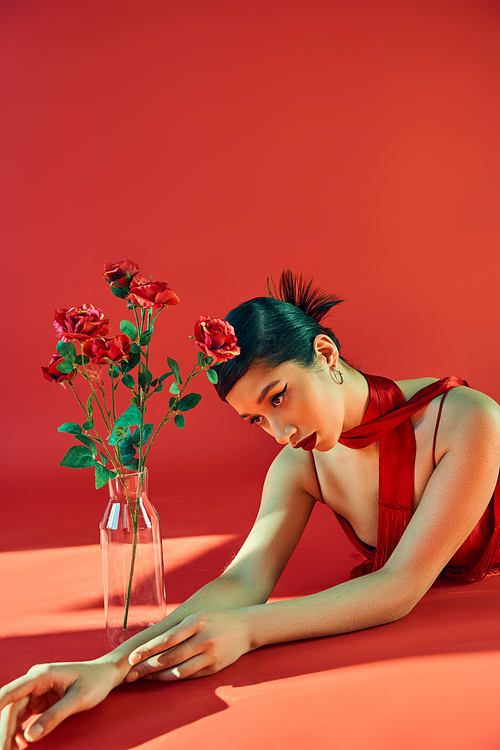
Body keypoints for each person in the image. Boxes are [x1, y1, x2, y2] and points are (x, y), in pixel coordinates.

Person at [1, 270, 500, 748]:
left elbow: (399, 585)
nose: (280, 433)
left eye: (279, 397)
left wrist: (249, 629)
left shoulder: (467, 419)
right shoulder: (298, 466)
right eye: (256, 420)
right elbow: (242, 583)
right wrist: (110, 668)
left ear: (324, 353)